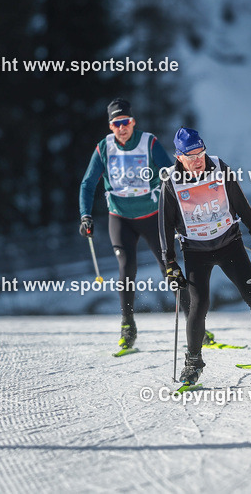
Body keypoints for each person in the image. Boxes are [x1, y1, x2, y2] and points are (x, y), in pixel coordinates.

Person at [158, 127, 251, 386]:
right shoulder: (171, 181)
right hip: (195, 251)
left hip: (230, 244)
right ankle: (193, 363)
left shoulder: (219, 167)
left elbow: (242, 204)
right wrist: (169, 262)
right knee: (199, 305)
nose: (199, 160)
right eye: (191, 156)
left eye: (201, 153)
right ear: (179, 157)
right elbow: (166, 225)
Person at [79, 98, 188, 352]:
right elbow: (88, 183)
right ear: (110, 126)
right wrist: (85, 215)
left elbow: (171, 173)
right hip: (120, 218)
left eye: (125, 122)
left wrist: (180, 206)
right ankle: (128, 326)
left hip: (152, 216)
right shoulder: (103, 148)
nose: (122, 128)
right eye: (116, 123)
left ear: (133, 122)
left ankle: (194, 322)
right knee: (126, 269)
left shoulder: (148, 142)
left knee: (169, 267)